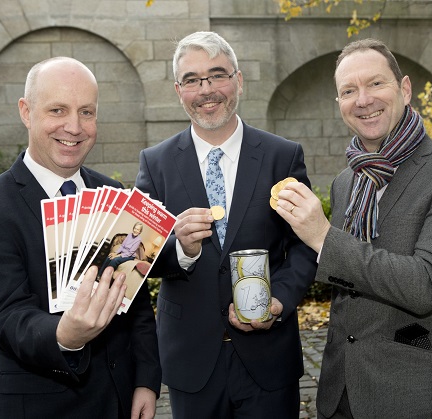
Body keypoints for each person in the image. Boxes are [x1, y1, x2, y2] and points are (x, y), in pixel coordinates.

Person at [275, 38, 432, 418]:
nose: (363, 99)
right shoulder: (347, 181)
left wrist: (324, 237)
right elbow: (348, 288)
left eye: (376, 83)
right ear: (339, 104)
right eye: (348, 90)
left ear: (404, 89)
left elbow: (427, 285)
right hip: (340, 393)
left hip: (414, 393)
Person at [0, 57, 161, 419]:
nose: (74, 127)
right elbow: (7, 318)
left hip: (121, 399)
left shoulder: (110, 191)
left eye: (87, 112)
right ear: (26, 111)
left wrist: (145, 379)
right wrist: (66, 335)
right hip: (43, 406)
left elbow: (135, 299)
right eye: (57, 110)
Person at [135, 31, 318, 418]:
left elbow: (305, 245)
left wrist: (280, 300)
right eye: (192, 80)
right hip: (191, 361)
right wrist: (180, 250)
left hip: (268, 359)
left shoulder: (282, 157)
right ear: (178, 90)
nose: (206, 90)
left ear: (238, 79)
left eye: (217, 75)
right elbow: (137, 255)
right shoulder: (156, 164)